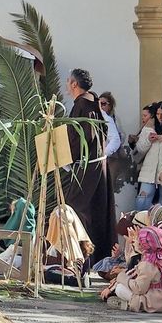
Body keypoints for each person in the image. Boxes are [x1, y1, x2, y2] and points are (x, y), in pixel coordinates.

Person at [61, 69, 115, 263]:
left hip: (88, 167)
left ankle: (76, 258)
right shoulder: (93, 103)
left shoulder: (83, 104)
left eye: (68, 81)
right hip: (96, 165)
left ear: (74, 84)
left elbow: (80, 137)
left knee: (73, 210)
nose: (67, 84)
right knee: (95, 211)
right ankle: (95, 259)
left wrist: (66, 156)